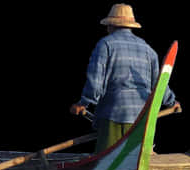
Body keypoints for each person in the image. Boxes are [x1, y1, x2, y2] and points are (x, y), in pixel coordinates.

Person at [70, 4, 180, 153]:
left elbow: (95, 83)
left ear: (110, 25)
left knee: (107, 162)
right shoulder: (148, 49)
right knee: (135, 159)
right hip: (142, 117)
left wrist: (83, 103)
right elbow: (159, 84)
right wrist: (172, 102)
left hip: (113, 114)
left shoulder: (105, 44)